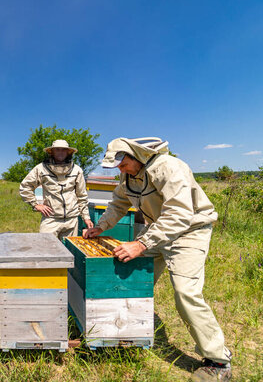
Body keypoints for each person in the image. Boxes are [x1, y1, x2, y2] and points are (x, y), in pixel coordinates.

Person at [83, 137, 232, 382]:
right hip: (157, 230)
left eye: (122, 165)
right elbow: (119, 203)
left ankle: (218, 360)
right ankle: (123, 329)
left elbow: (179, 214)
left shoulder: (171, 168)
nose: (120, 170)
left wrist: (141, 243)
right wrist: (101, 226)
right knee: (124, 266)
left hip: (189, 231)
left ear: (136, 156)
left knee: (186, 292)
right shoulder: (128, 176)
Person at [19, 139, 93, 239]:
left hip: (71, 220)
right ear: (52, 152)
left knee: (68, 253)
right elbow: (25, 186)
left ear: (68, 152)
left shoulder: (77, 170)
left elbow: (82, 196)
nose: (60, 152)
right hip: (51, 219)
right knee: (46, 250)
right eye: (57, 149)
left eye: (63, 150)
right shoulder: (41, 169)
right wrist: (35, 204)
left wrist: (86, 217)